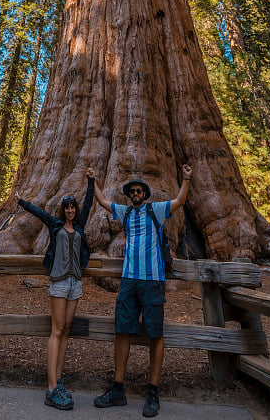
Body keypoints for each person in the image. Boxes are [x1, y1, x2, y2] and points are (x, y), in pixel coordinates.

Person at [90, 164, 193, 418]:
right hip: (128, 280)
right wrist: (93, 180)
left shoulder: (155, 210)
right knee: (122, 330)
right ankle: (117, 388)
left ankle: (153, 391)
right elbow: (103, 201)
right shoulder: (124, 212)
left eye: (139, 191)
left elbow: (179, 201)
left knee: (155, 333)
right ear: (129, 195)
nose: (135, 193)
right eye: (132, 191)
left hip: (152, 280)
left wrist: (186, 178)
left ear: (145, 194)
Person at [14, 170, 95, 411]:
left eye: (73, 208)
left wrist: (90, 181)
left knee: (67, 330)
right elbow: (38, 213)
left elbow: (89, 203)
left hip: (75, 283)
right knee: (56, 330)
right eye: (67, 208)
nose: (70, 211)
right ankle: (51, 388)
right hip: (59, 281)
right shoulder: (55, 224)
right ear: (62, 210)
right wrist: (21, 202)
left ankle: (59, 381)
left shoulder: (79, 227)